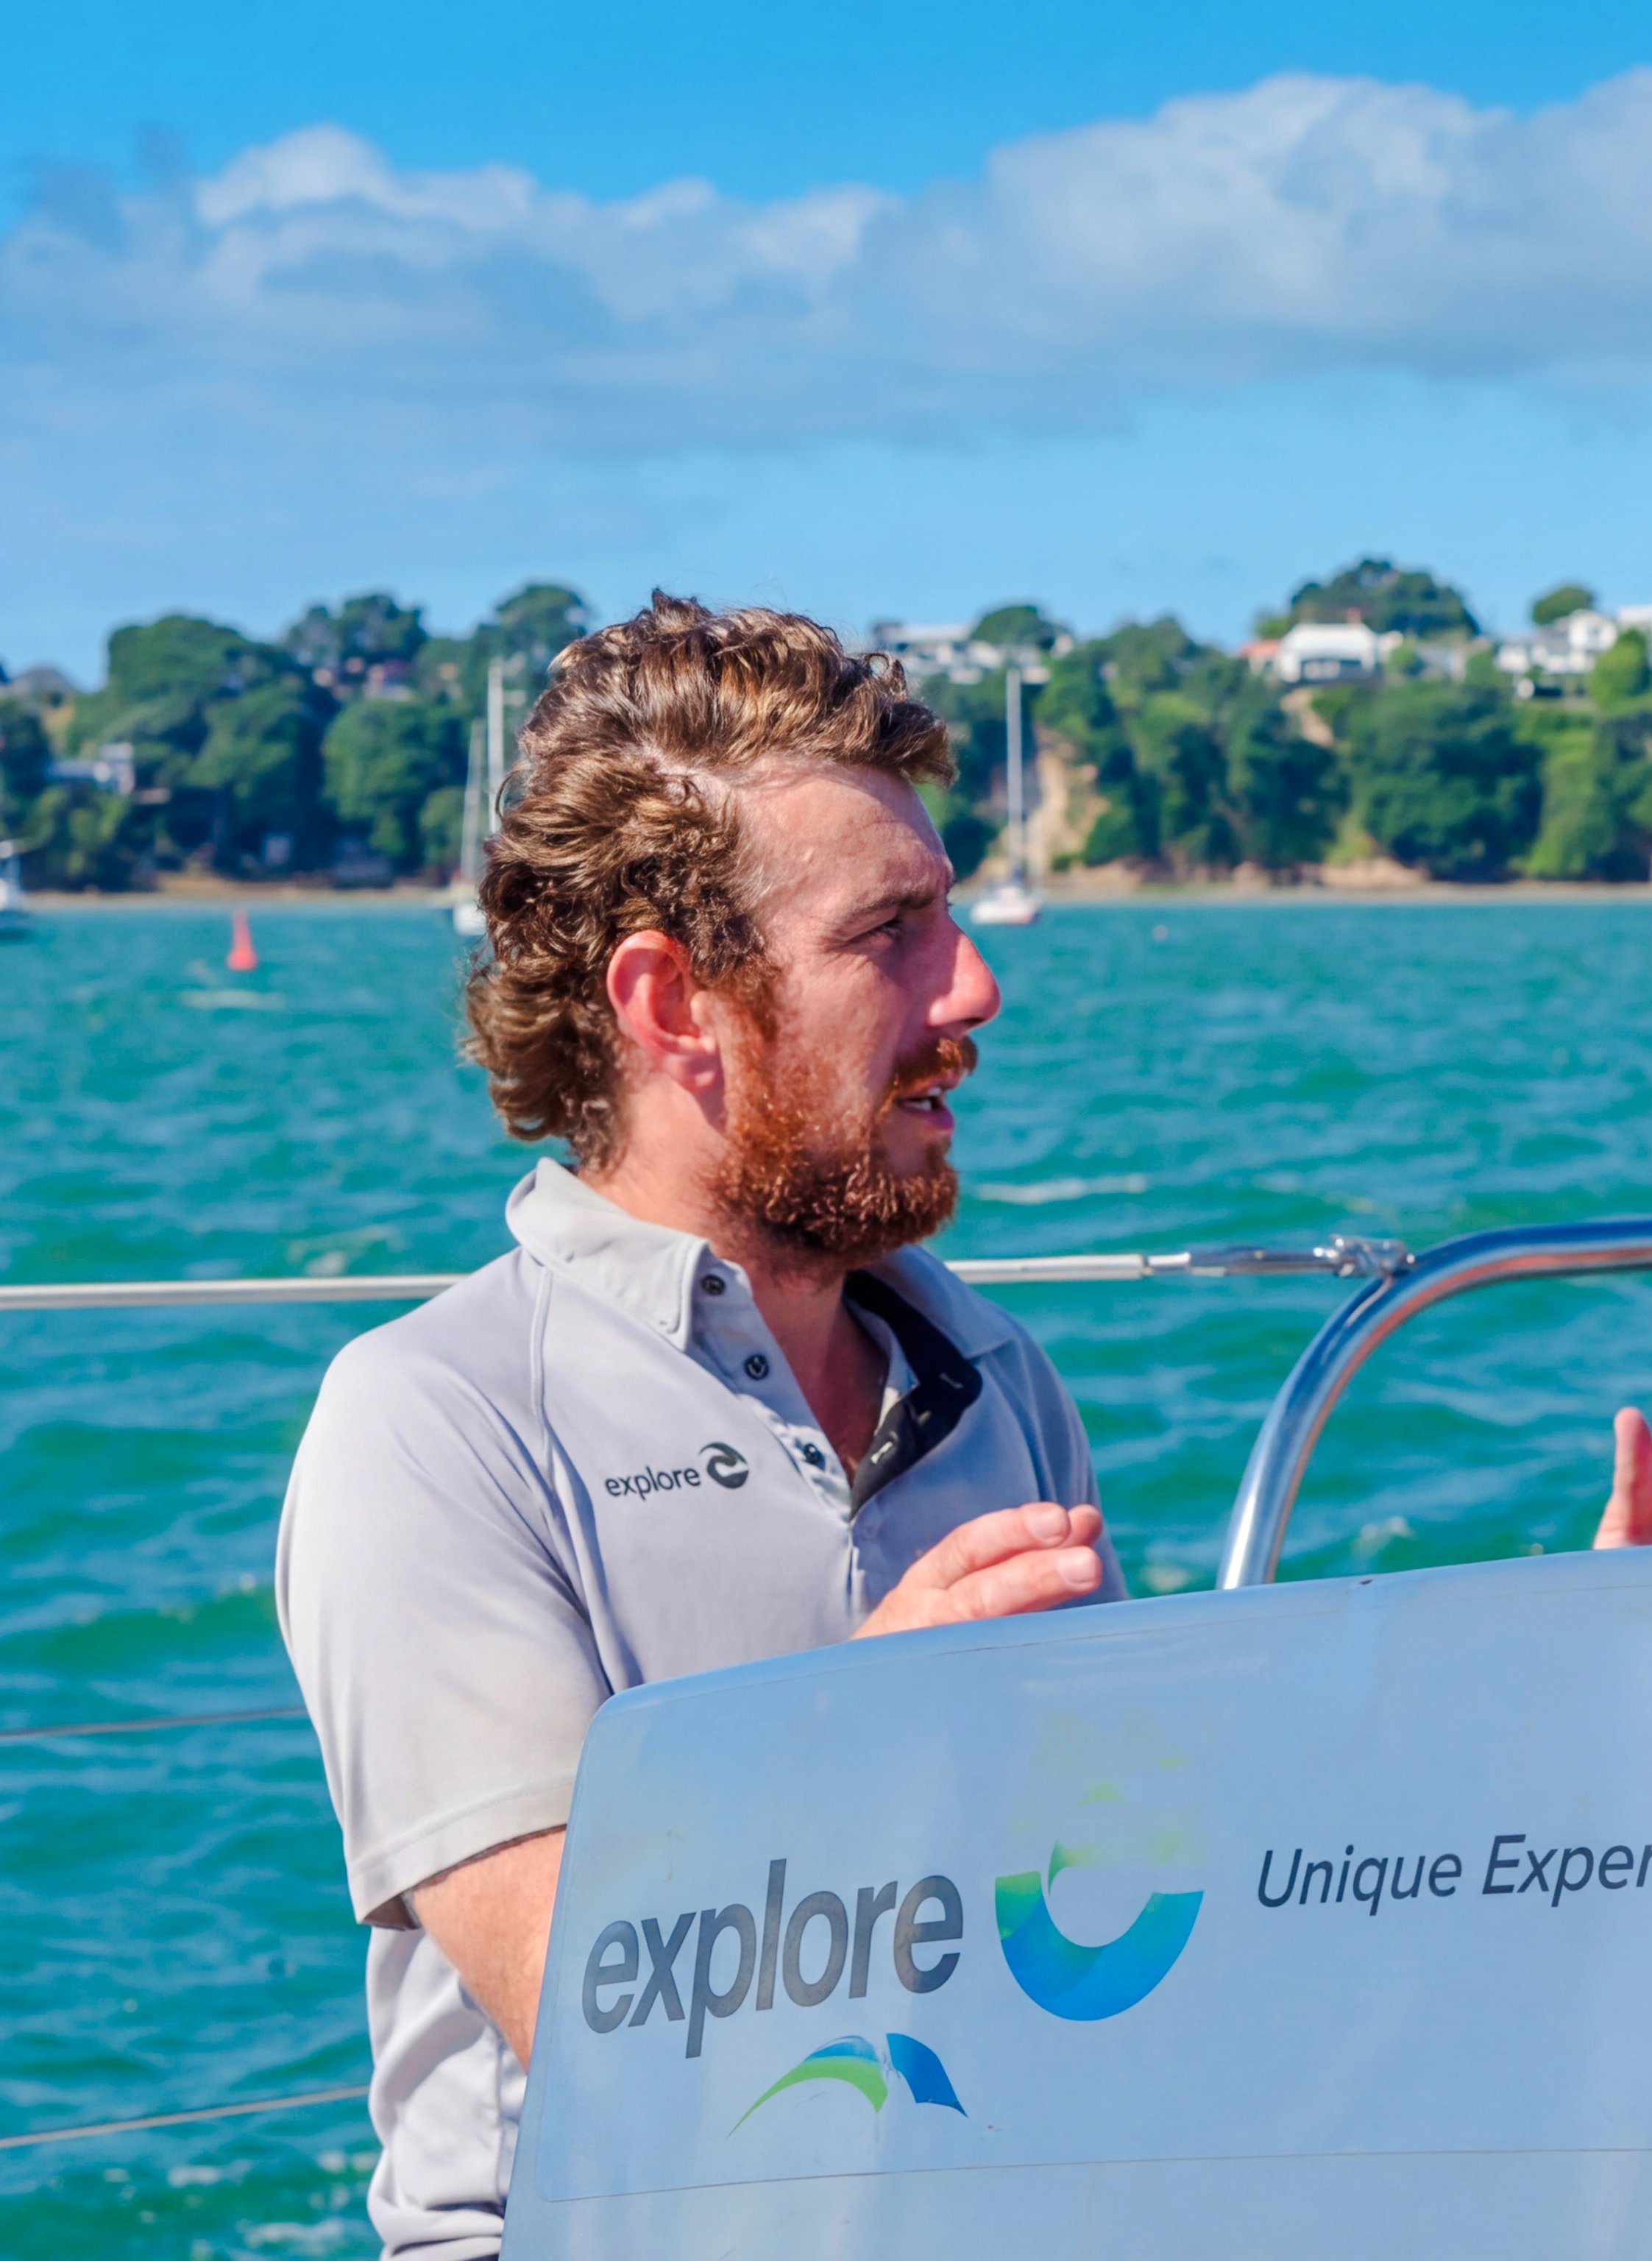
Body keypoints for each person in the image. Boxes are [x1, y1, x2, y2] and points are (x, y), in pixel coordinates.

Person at [277, 597, 1123, 2260]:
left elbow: (1130, 1892)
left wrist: (1555, 1656)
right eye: (891, 932)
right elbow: (606, 2029)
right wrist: (857, 1719)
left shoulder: (991, 1375)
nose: (977, 985)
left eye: (950, 914)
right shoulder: (435, 1427)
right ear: (673, 1008)